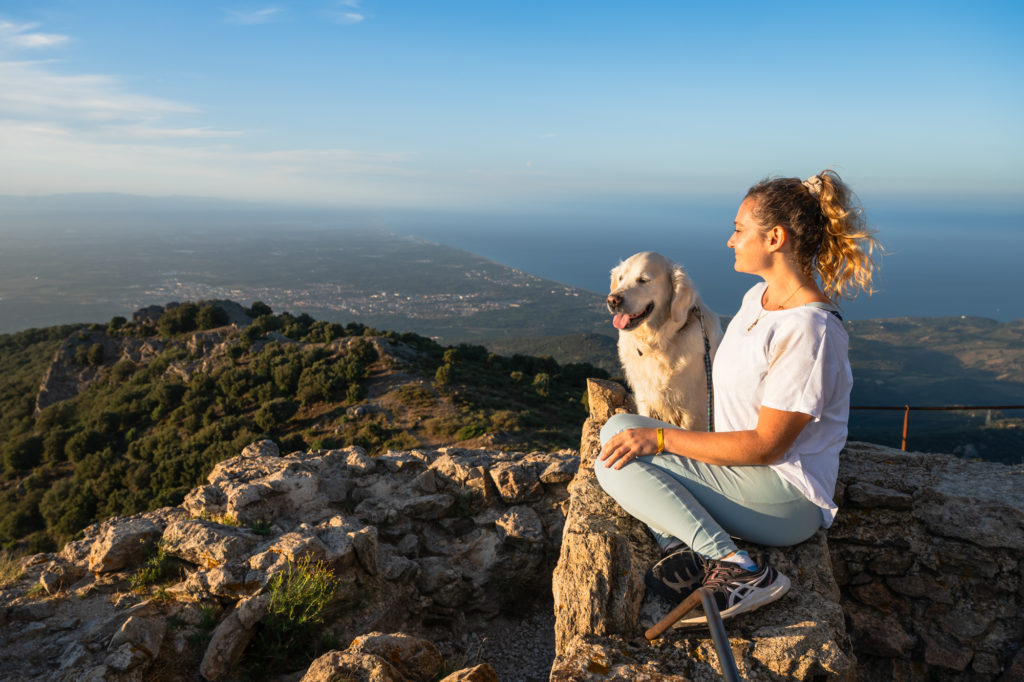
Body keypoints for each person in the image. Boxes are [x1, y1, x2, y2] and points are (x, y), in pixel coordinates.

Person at [596, 169, 879, 626]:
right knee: (616, 434)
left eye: (738, 229)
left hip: (785, 497)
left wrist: (662, 442)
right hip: (744, 476)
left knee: (615, 460)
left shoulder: (810, 330)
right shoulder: (758, 298)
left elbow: (767, 445)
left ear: (775, 238)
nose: (731, 241)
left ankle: (738, 568)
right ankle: (683, 549)